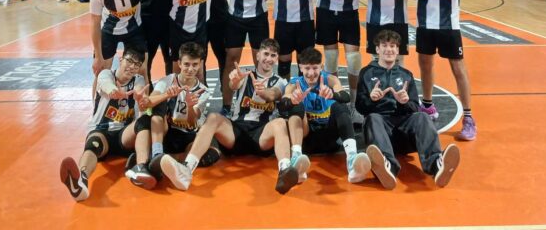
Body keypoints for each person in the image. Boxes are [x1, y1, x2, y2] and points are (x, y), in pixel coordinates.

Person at [158, 39, 301, 194]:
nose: (269, 58)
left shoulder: (280, 82)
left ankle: (285, 171)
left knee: (280, 123)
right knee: (213, 117)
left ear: (277, 58)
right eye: (266, 54)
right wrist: (235, 80)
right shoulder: (243, 73)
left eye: (273, 55)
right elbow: (233, 85)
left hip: (261, 135)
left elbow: (273, 94)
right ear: (258, 55)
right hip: (236, 132)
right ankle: (186, 170)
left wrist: (263, 92)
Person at [212, 0, 321, 113]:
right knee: (231, 60)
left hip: (259, 18)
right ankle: (226, 106)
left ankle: (262, 102)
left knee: (262, 62)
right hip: (235, 19)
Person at [355, 29, 460, 190]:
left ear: (397, 50)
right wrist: (371, 100)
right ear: (377, 49)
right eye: (384, 45)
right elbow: (360, 107)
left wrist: (404, 102)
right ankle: (387, 165)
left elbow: (414, 107)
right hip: (381, 132)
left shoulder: (406, 75)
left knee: (422, 116)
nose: (389, 49)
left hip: (404, 134)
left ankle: (436, 165)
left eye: (393, 46)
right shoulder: (366, 73)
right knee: (372, 118)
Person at [407, 0, 476, 141]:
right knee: (425, 66)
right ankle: (428, 106)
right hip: (425, 25)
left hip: (449, 26)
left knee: (458, 69)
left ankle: (468, 117)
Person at [59, 47, 149, 200]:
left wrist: (141, 99)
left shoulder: (138, 80)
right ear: (121, 60)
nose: (132, 66)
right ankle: (81, 180)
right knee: (93, 143)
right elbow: (106, 85)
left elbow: (140, 89)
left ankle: (142, 167)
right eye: (129, 61)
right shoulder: (106, 74)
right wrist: (114, 91)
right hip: (102, 131)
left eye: (137, 64)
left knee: (144, 121)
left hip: (123, 135)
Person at [125, 42, 211, 188]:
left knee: (209, 151)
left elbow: (192, 123)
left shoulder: (203, 91)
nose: (190, 69)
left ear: (200, 64)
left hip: (187, 136)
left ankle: (156, 162)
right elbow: (148, 103)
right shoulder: (168, 80)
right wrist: (166, 95)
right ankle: (157, 154)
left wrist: (190, 106)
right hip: (166, 132)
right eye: (187, 64)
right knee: (157, 106)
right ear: (179, 63)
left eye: (195, 64)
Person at [281, 47, 370, 184]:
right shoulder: (295, 84)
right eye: (307, 68)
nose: (311, 73)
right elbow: (282, 105)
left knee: (340, 106)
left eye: (315, 68)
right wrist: (292, 101)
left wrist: (333, 95)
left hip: (329, 136)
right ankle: (296, 158)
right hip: (306, 137)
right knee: (296, 106)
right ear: (300, 67)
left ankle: (352, 160)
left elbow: (345, 97)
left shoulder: (330, 80)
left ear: (321, 67)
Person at [153, 0, 227, 81]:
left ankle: (199, 95)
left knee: (199, 70)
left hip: (200, 29)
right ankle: (176, 94)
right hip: (178, 28)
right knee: (177, 68)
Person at [90, 0, 160, 85]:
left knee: (141, 70)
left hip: (134, 30)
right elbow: (94, 24)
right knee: (101, 71)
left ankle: (141, 99)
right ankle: (98, 100)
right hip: (109, 31)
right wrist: (98, 56)